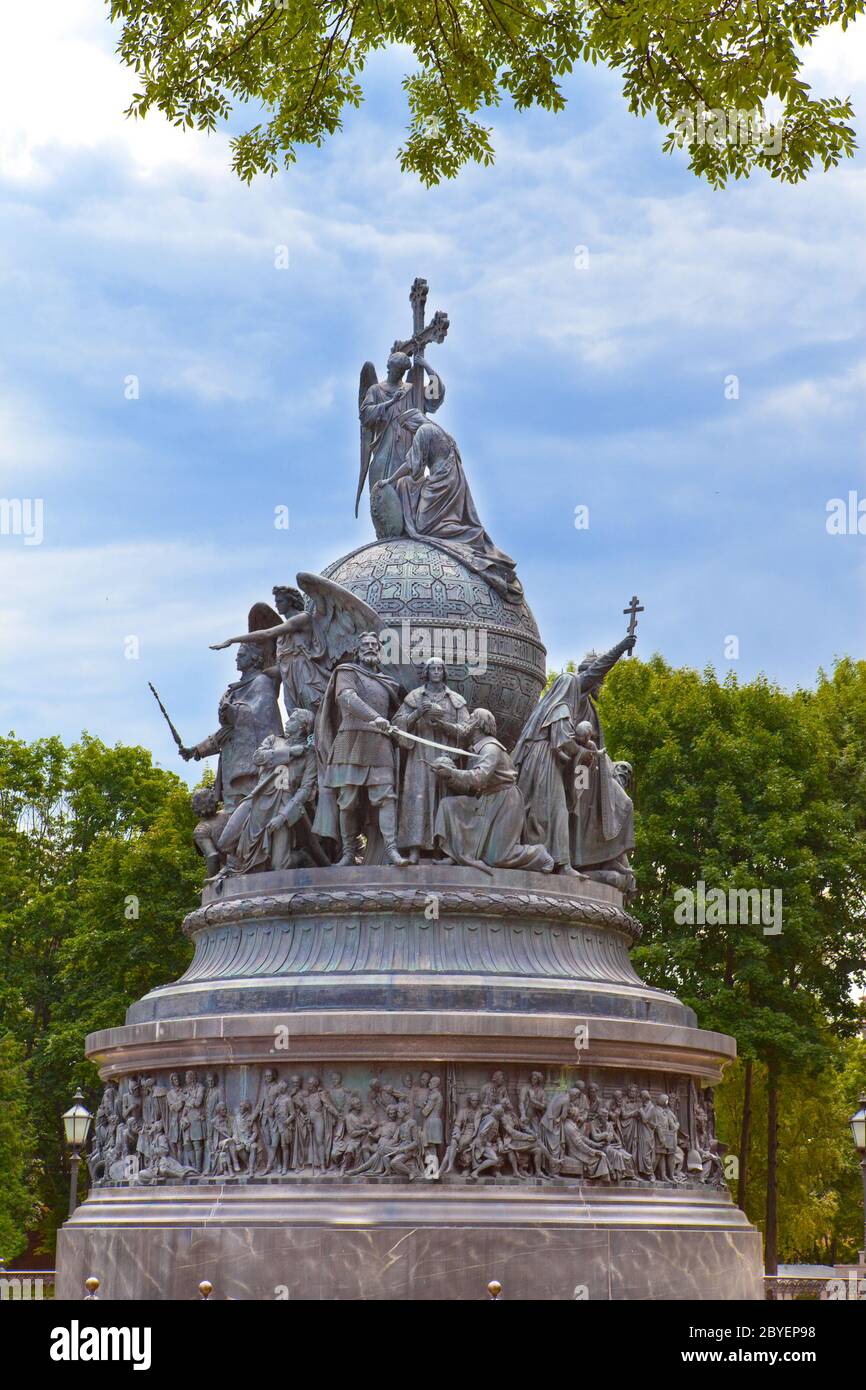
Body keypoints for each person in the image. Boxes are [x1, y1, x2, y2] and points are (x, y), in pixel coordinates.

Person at [313, 631, 406, 865]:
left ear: (380, 651)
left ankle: (392, 850)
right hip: (350, 742)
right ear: (358, 650)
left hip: (380, 745)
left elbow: (398, 714)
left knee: (386, 797)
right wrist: (375, 717)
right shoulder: (347, 672)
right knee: (348, 800)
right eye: (365, 644)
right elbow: (347, 698)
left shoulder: (389, 683)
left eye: (374, 645)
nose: (370, 648)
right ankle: (348, 853)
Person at [432, 709, 554, 874]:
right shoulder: (476, 749)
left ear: (479, 724)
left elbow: (478, 778)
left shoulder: (490, 748)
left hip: (505, 802)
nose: (467, 720)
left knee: (499, 857)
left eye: (472, 717)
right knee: (449, 805)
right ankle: (453, 854)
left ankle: (539, 854)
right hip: (486, 800)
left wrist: (452, 772)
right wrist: (448, 778)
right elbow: (471, 788)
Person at [392, 657, 470, 861]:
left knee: (443, 799)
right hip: (419, 756)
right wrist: (417, 713)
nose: (436, 672)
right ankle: (414, 849)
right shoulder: (415, 697)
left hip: (445, 757)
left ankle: (441, 849)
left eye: (439, 668)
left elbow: (467, 730)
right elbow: (397, 724)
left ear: (444, 672)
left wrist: (444, 725)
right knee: (416, 798)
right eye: (432, 668)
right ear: (426, 672)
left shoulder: (455, 700)